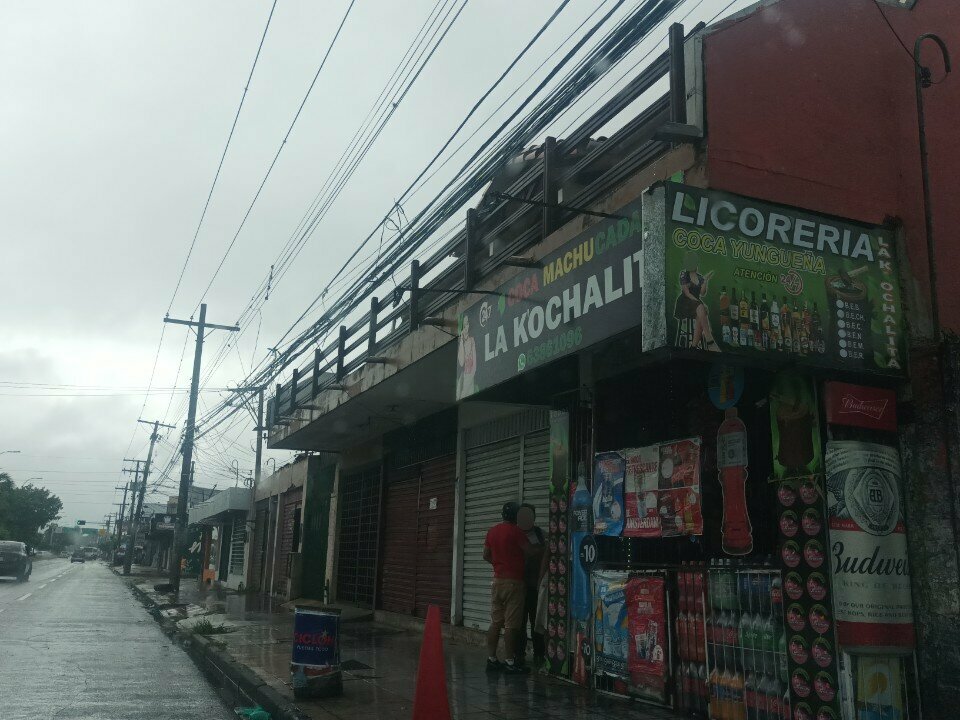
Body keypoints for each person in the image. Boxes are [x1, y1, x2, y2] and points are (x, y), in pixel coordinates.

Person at [483, 501, 535, 674]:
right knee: (512, 625)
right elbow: (530, 552)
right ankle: (510, 661)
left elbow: (486, 555)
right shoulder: (517, 532)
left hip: (497, 581)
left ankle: (491, 659)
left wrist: (498, 565)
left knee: (496, 622)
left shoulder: (492, 531)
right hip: (514, 583)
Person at [516, 503, 546, 669]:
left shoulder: (541, 534)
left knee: (537, 621)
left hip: (536, 585)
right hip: (519, 586)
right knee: (519, 623)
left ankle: (539, 654)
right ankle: (519, 654)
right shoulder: (515, 534)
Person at [673, 251, 720, 352]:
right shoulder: (683, 274)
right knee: (701, 308)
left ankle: (693, 347)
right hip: (685, 302)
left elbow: (702, 293)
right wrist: (700, 303)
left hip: (696, 304)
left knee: (701, 312)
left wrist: (705, 281)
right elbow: (687, 293)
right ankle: (710, 341)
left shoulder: (700, 277)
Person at [457, 315, 477, 397]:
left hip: (470, 376)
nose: (466, 327)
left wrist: (471, 376)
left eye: (467, 323)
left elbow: (474, 365)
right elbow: (461, 363)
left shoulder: (472, 340)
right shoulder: (460, 344)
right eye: (464, 325)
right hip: (464, 377)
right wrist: (461, 341)